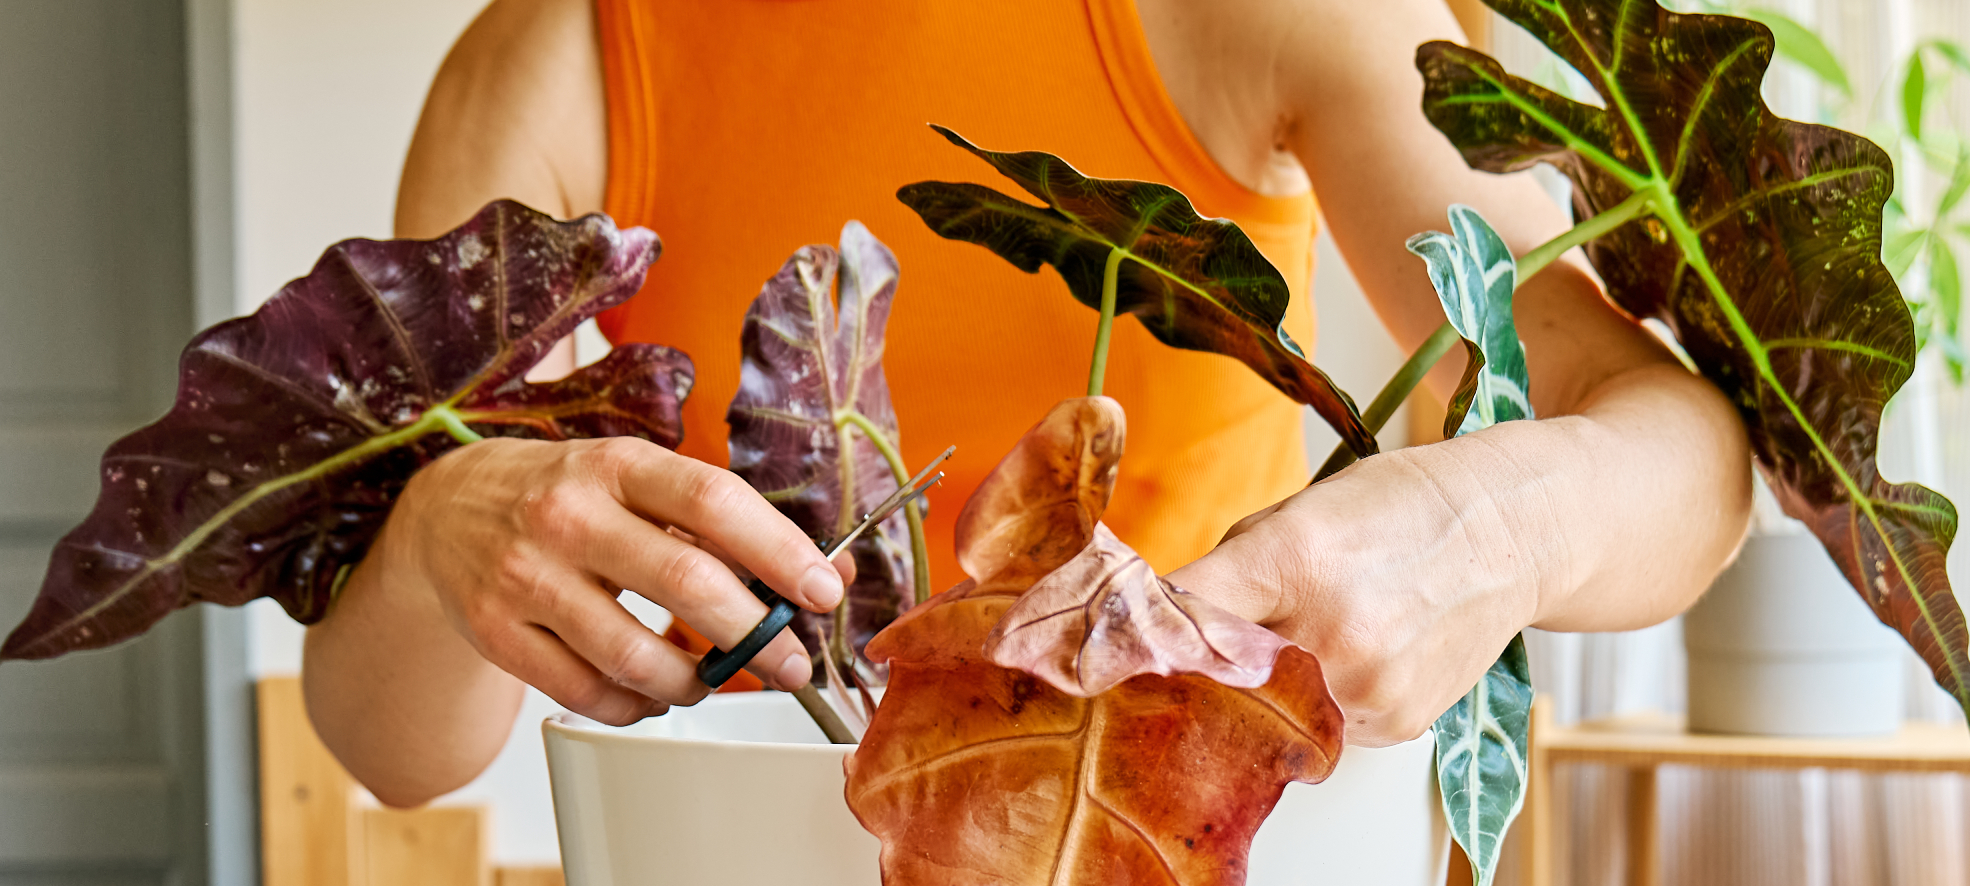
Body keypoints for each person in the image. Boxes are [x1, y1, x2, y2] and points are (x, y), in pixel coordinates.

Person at [303, 0, 1749, 807]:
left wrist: (1486, 530)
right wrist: (443, 528)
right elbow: (398, 748)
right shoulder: (554, 58)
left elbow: (1674, 451)